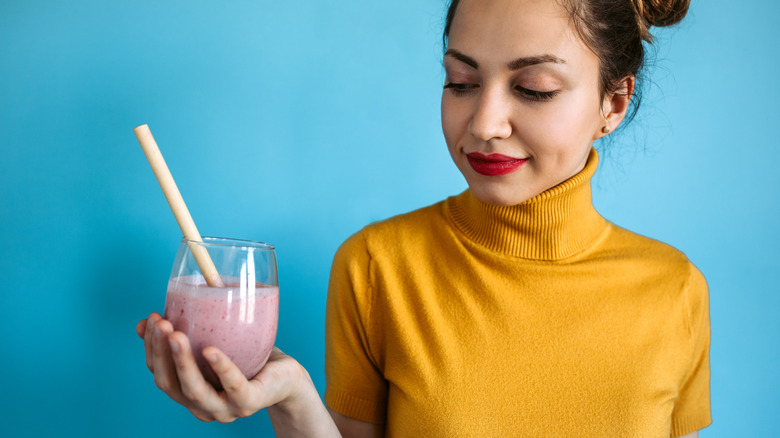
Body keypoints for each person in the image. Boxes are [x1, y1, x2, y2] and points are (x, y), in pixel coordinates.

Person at [136, 0, 711, 436]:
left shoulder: (675, 290)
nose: (484, 123)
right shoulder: (376, 266)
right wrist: (294, 400)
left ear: (613, 104)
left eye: (533, 89)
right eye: (460, 82)